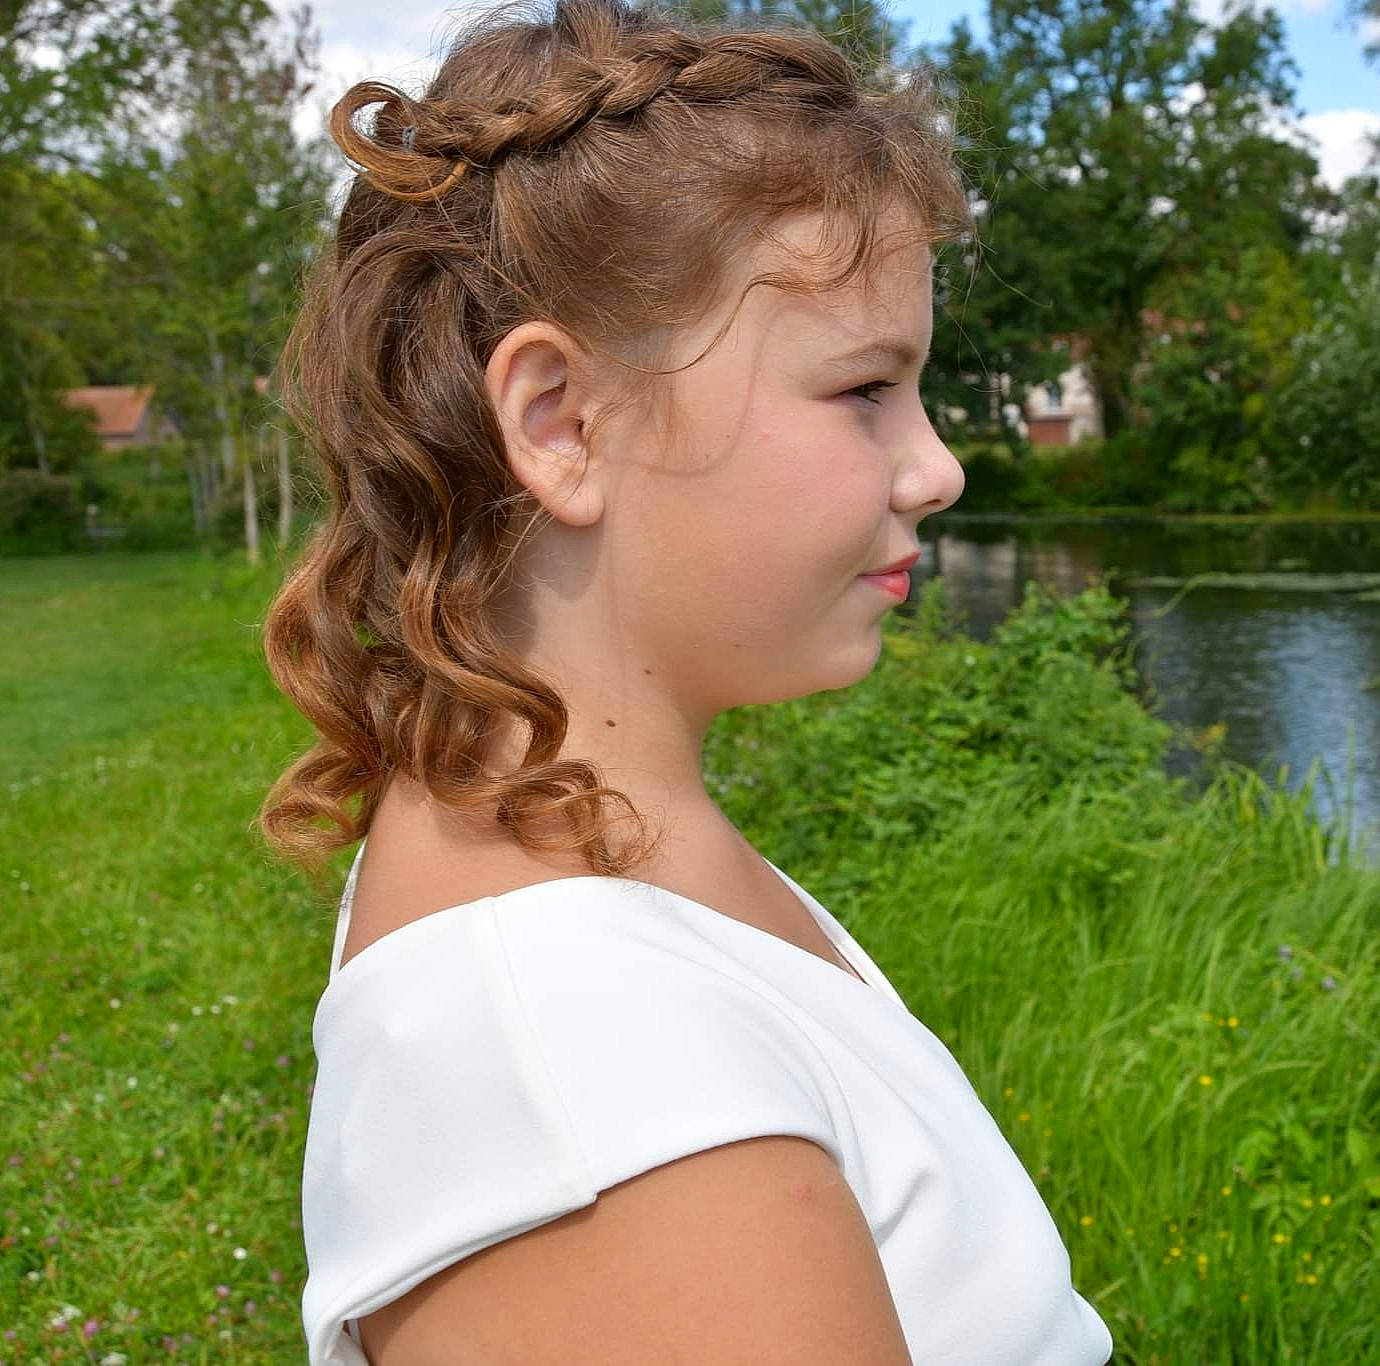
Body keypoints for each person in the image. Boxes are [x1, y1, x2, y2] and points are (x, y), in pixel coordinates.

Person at [257, 0, 1115, 1361]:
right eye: (863, 390)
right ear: (562, 421)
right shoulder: (595, 1106)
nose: (939, 466)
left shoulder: (595, 828)